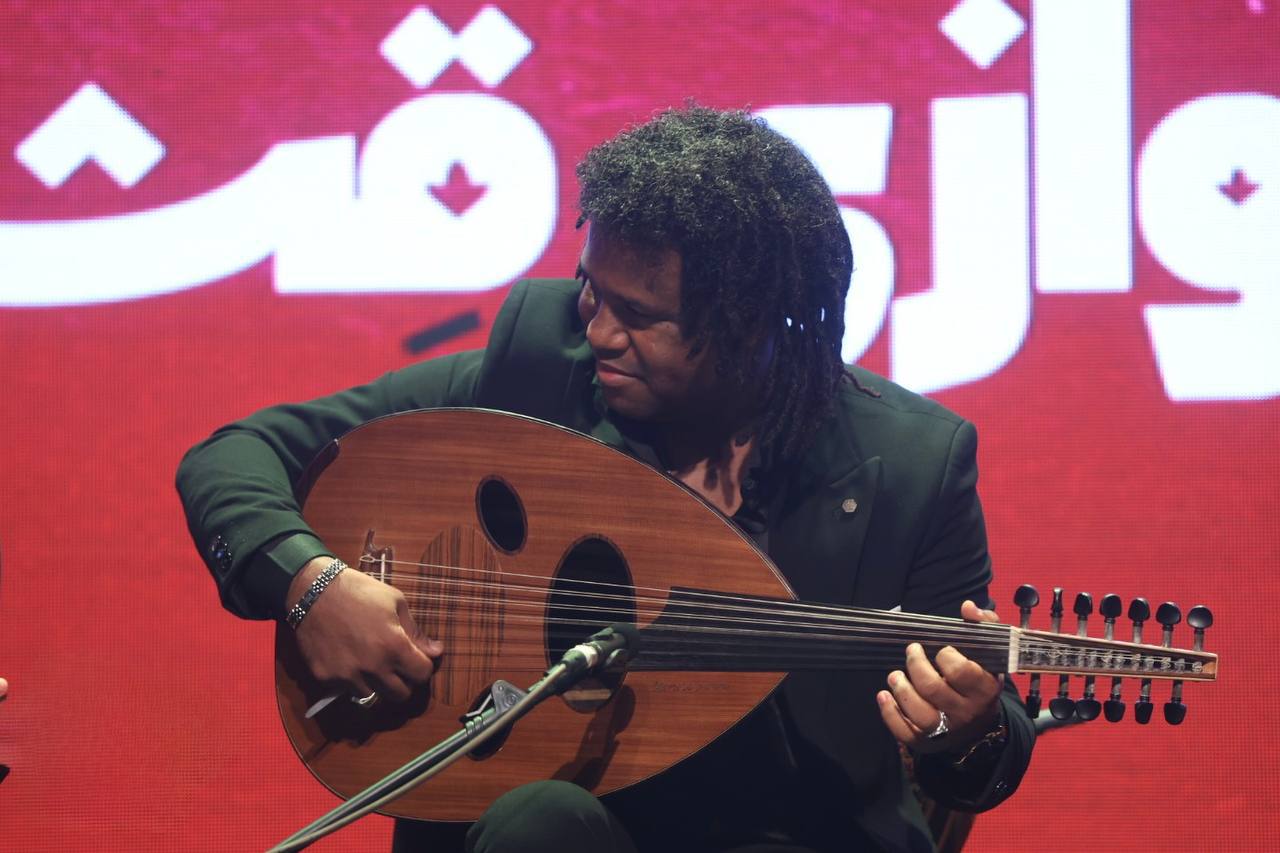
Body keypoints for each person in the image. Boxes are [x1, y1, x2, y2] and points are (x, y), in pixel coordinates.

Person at [177, 106, 1034, 852]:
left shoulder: (913, 463)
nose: (600, 332)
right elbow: (236, 453)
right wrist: (310, 582)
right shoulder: (539, 372)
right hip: (546, 814)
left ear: (748, 326)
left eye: (640, 315)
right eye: (593, 292)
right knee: (539, 824)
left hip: (786, 826)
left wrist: (966, 729)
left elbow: (977, 753)